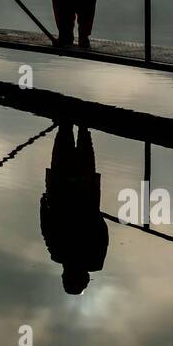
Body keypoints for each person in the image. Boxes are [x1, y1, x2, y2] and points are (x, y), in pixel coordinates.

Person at [39, 123, 109, 295]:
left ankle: (79, 124)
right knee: (66, 139)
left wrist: (95, 215)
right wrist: (43, 203)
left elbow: (103, 232)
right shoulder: (58, 253)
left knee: (83, 143)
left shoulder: (94, 260)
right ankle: (69, 122)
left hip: (86, 195)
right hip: (60, 190)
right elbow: (46, 225)